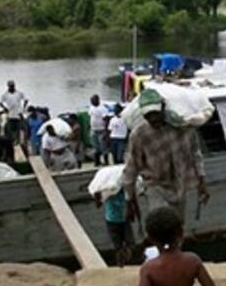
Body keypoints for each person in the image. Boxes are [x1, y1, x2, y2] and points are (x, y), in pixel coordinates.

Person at [123, 89, 209, 225]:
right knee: (162, 223)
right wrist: (129, 200)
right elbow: (131, 169)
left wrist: (202, 183)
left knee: (177, 225)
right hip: (155, 186)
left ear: (163, 108)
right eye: (148, 115)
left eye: (155, 113)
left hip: (179, 185)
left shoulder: (182, 126)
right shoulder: (139, 135)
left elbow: (195, 154)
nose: (153, 119)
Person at [94, 189, 133, 267]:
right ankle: (121, 264)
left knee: (129, 244)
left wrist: (131, 211)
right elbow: (98, 205)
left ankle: (126, 261)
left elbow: (131, 201)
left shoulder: (123, 190)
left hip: (123, 220)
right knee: (118, 246)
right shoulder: (107, 191)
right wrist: (97, 196)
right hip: (113, 222)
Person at [0, 80, 28, 145]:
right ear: (8, 86)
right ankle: (11, 141)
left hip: (18, 114)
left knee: (20, 128)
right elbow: (0, 103)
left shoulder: (19, 93)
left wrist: (23, 108)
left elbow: (26, 100)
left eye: (13, 86)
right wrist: (5, 108)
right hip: (10, 114)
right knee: (10, 129)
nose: (12, 87)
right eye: (11, 86)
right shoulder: (5, 95)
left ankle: (20, 141)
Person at [89, 94, 110, 167]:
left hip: (101, 130)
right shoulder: (91, 108)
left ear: (97, 100)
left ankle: (106, 162)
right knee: (95, 147)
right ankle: (97, 162)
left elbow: (106, 120)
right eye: (91, 101)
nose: (92, 102)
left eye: (93, 100)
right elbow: (91, 117)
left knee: (103, 147)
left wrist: (106, 132)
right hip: (94, 130)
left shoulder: (103, 109)